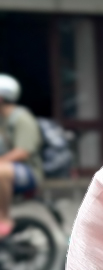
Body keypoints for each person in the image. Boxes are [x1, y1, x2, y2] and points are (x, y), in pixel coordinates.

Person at [0, 74, 44, 237]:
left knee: (1, 170)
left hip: (28, 172)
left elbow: (22, 152)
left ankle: (4, 219)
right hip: (10, 168)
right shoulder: (3, 120)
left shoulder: (22, 119)